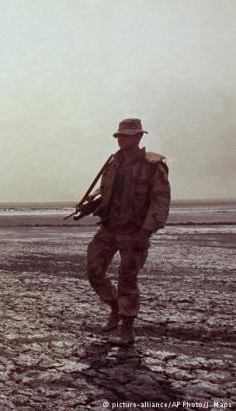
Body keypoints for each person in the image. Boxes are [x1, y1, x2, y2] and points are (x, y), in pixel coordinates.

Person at [87, 118, 171, 346]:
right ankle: (115, 307)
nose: (120, 139)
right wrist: (94, 202)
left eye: (125, 135)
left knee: (128, 279)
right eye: (119, 135)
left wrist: (146, 231)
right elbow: (105, 190)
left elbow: (160, 201)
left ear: (139, 137)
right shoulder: (113, 162)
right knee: (93, 269)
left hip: (135, 231)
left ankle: (127, 328)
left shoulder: (153, 165)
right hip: (109, 227)